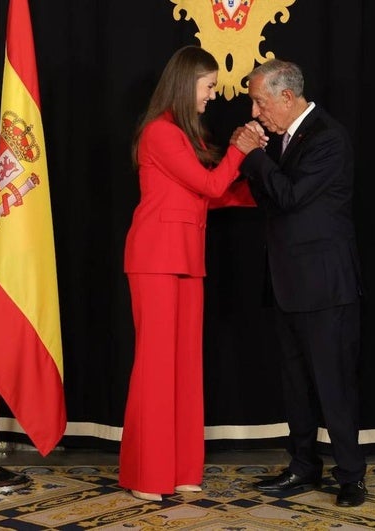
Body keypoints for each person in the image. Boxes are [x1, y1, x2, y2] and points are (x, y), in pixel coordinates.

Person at [119, 45, 265, 502]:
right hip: (155, 260)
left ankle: (181, 469)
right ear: (187, 84)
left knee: (184, 367)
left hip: (185, 259)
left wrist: (267, 195)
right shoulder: (161, 134)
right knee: (156, 368)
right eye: (208, 88)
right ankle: (147, 475)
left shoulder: (187, 135)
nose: (211, 98)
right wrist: (240, 150)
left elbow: (210, 197)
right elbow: (208, 184)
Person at [236, 59, 367, 508]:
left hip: (325, 286)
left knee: (334, 385)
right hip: (287, 281)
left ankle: (351, 476)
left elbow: (290, 197)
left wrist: (252, 155)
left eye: (259, 100)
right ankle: (303, 466)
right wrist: (257, 160)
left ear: (286, 97)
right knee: (295, 384)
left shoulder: (327, 137)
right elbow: (270, 200)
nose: (255, 112)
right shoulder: (287, 139)